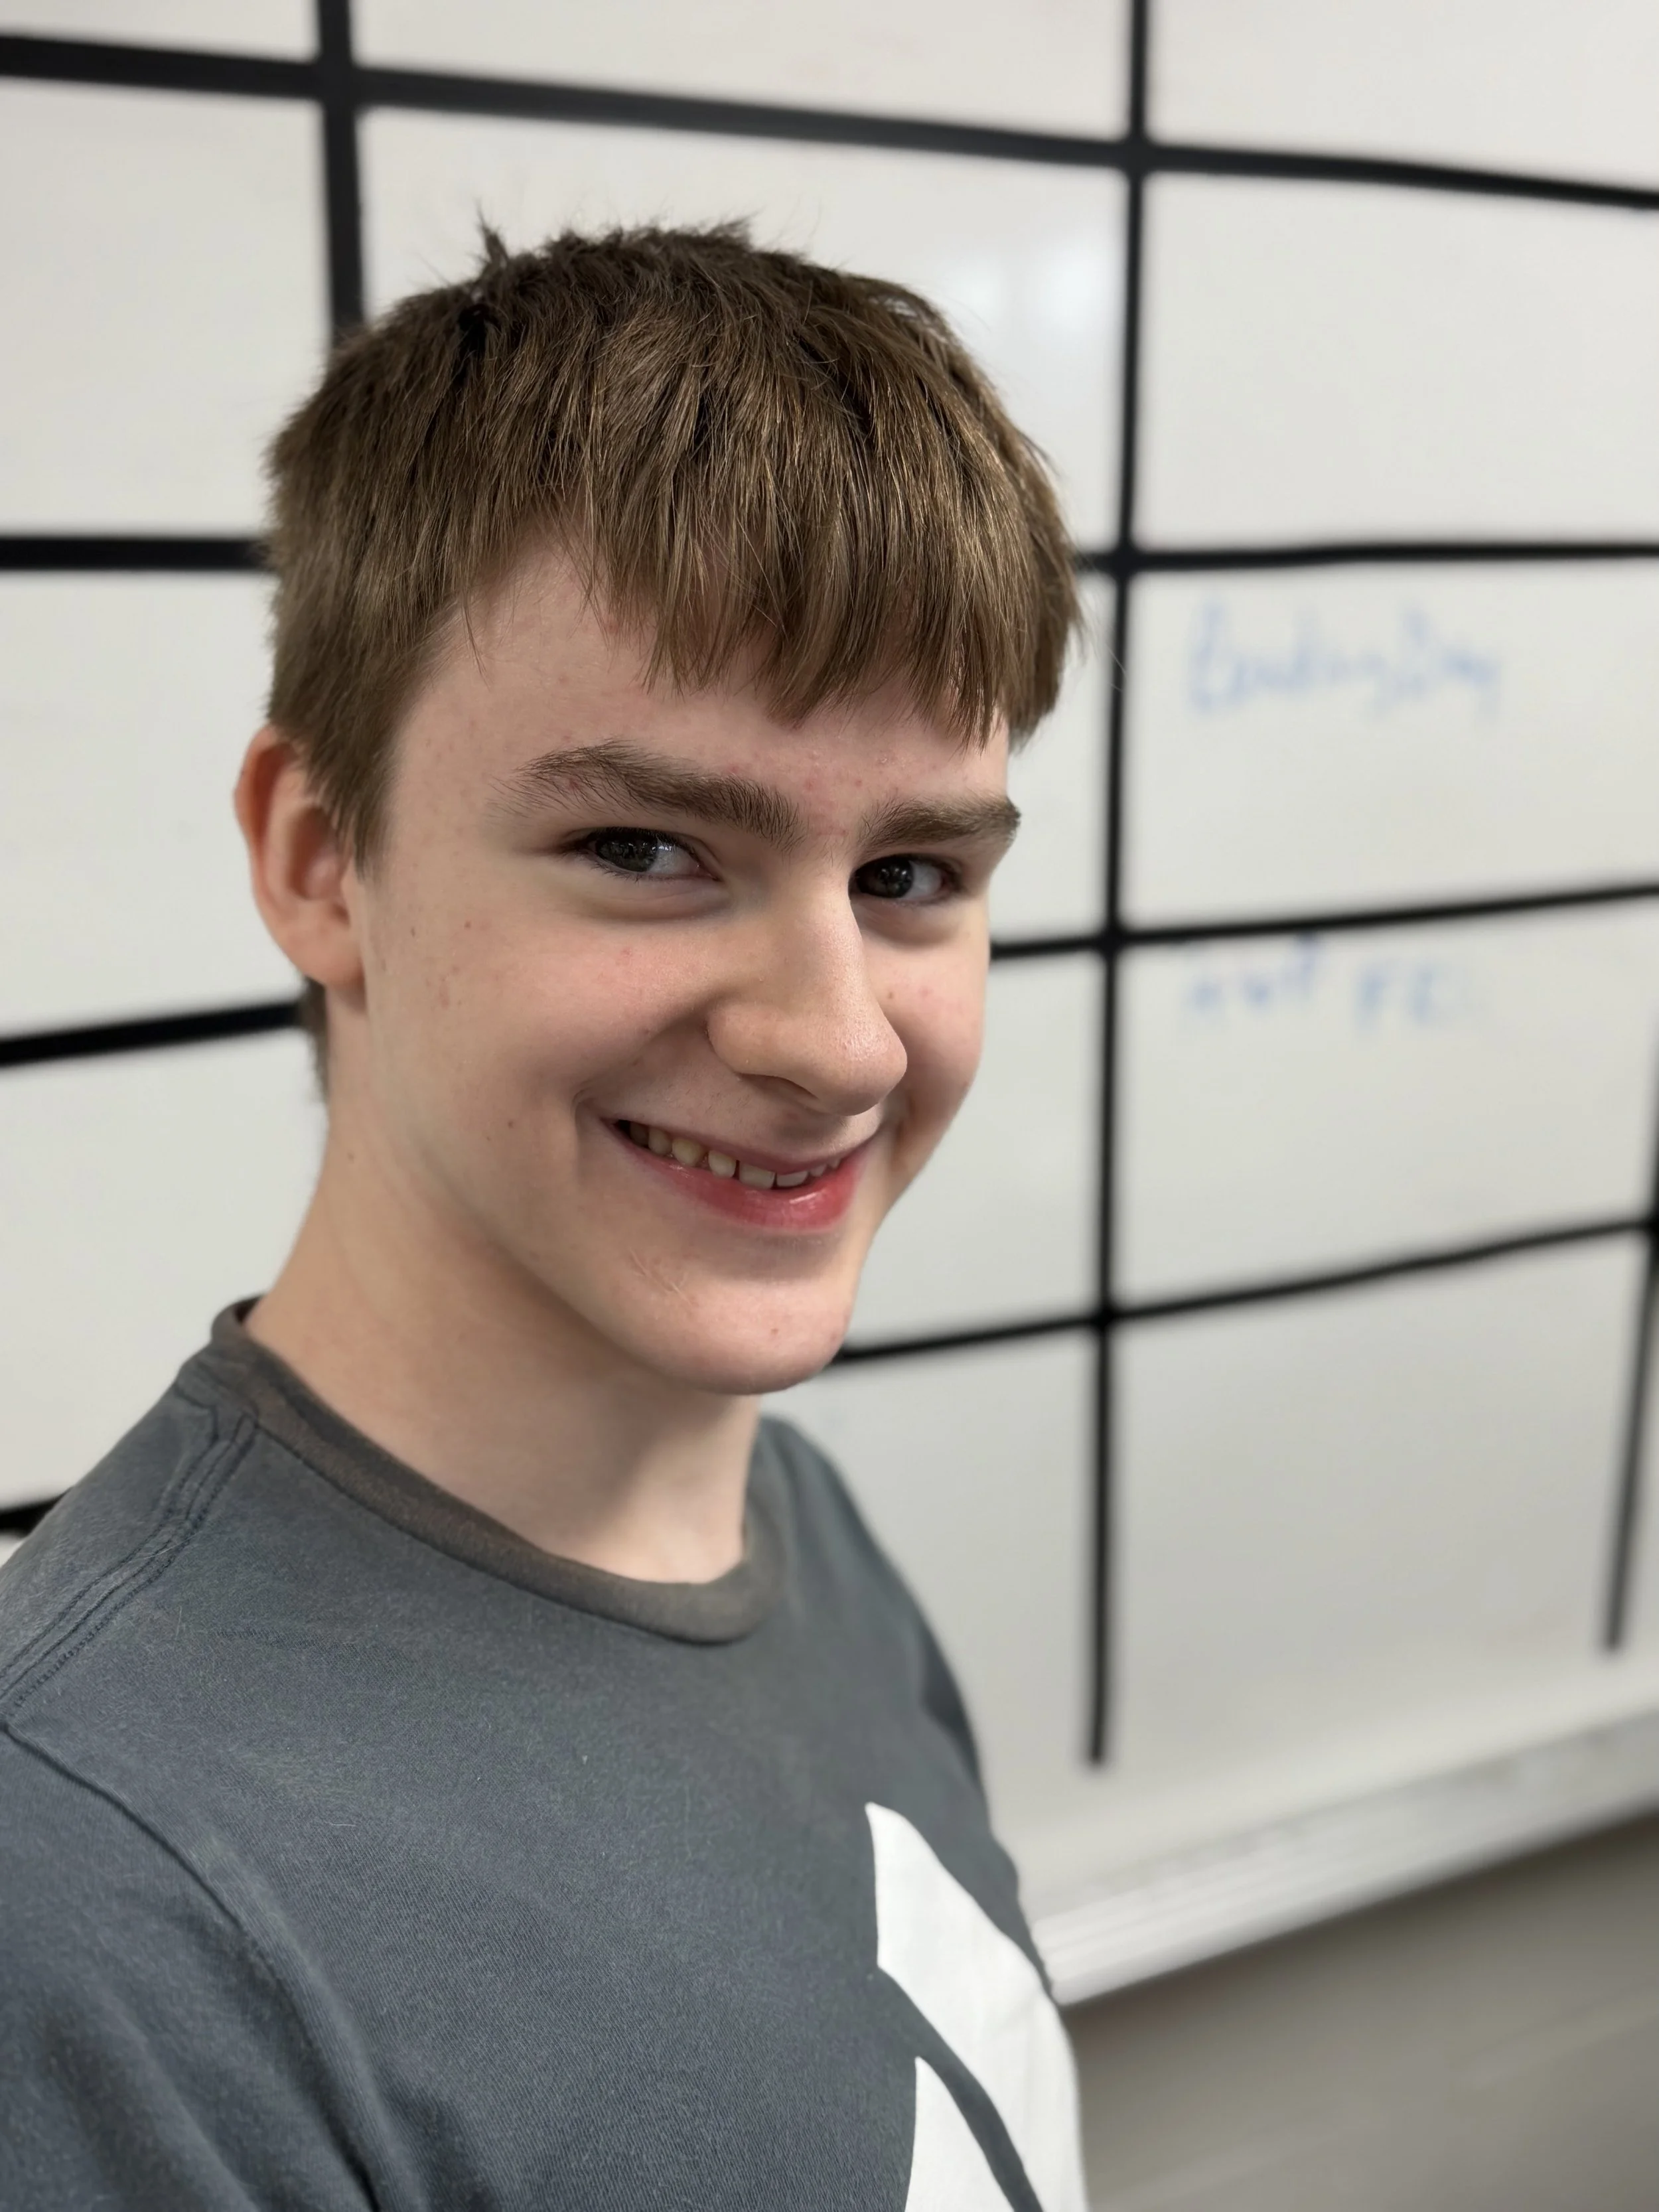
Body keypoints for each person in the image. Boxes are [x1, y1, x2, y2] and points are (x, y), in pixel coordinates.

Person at [0, 223, 1086, 2211]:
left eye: (915, 874)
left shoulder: (794, 1524)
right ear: (325, 859)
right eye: (648, 848)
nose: (832, 1038)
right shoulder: (85, 1898)